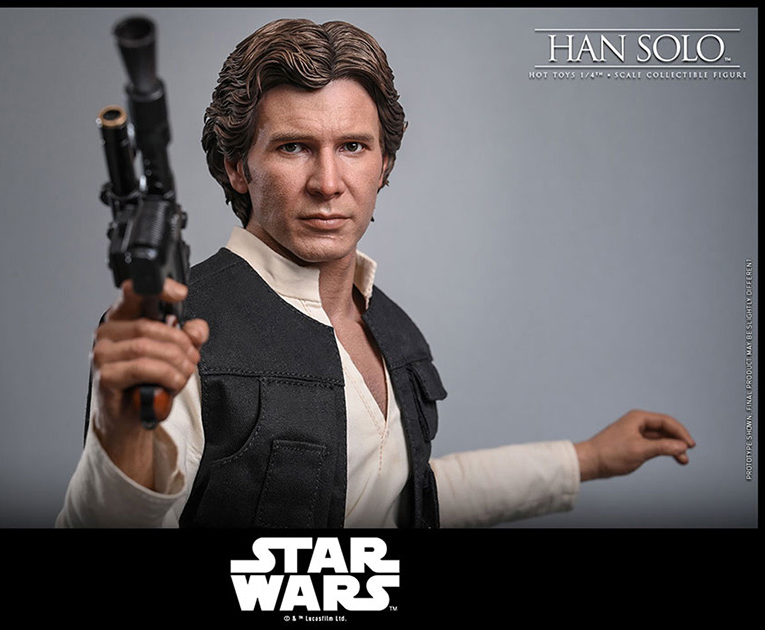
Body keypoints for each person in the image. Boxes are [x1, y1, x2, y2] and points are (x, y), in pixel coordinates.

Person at [57, 18, 695, 528]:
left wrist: (585, 459)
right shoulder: (174, 328)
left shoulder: (390, 326)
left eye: (353, 147)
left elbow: (403, 496)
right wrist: (119, 435)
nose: (328, 182)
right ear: (237, 167)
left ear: (384, 163)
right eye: (293, 147)